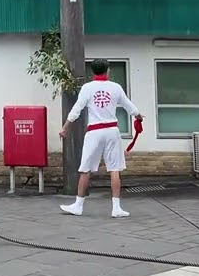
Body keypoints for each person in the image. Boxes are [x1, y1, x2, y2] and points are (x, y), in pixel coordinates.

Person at [58, 60, 142, 219]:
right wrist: (138, 115)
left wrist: (65, 127)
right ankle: (116, 207)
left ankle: (78, 205)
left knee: (85, 169)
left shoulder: (87, 88)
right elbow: (129, 105)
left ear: (93, 72)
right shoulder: (115, 87)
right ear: (107, 71)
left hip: (94, 132)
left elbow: (77, 109)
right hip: (112, 130)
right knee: (114, 168)